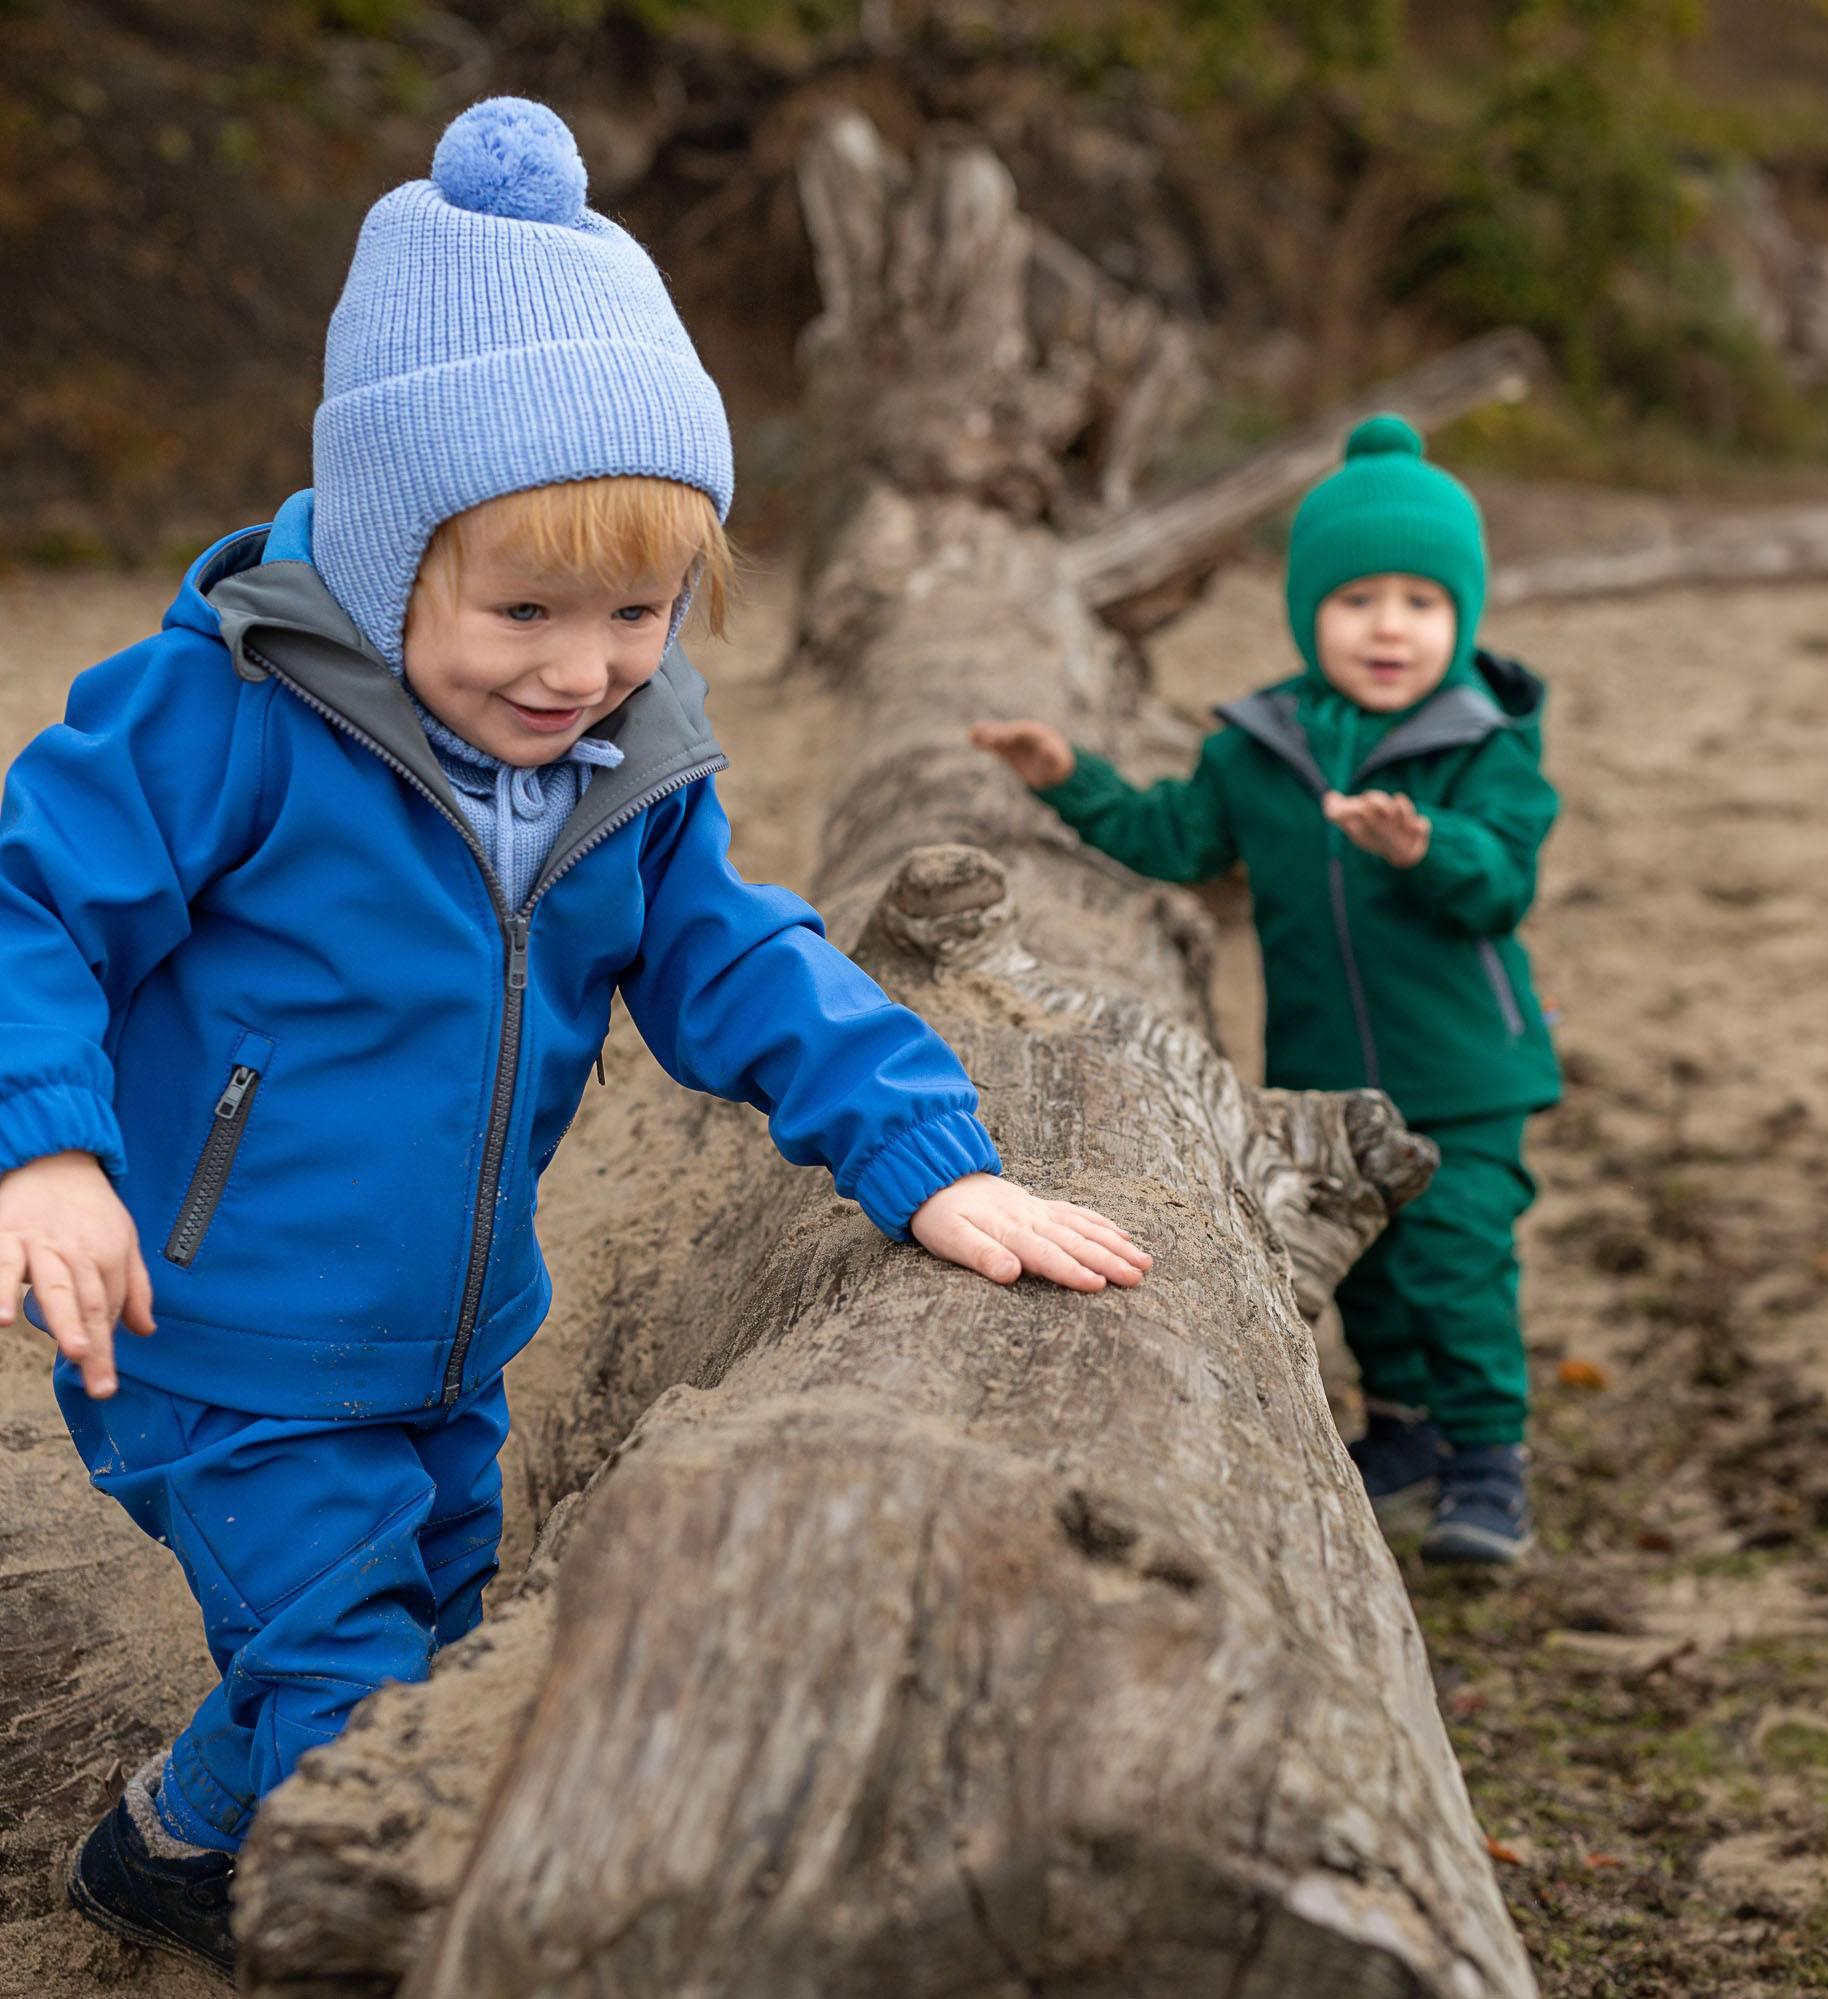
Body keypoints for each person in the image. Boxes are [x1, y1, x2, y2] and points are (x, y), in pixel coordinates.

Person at [0, 98, 1149, 1978]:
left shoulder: (625, 760)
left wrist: (923, 1150)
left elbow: (744, 961)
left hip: (451, 1330)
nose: (578, 665)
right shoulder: (219, 713)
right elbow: (27, 898)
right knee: (362, 1706)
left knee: (421, 1620)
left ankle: (164, 1851)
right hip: (210, 1333)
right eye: (522, 608)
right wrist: (43, 1143)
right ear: (387, 558)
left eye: (639, 609)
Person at [974, 414, 1559, 1571]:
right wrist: (1070, 782)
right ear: (1306, 612)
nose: (1387, 626)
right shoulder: (1258, 748)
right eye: (1355, 601)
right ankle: (1403, 1429)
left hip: (1463, 1070)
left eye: (1419, 603)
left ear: (1460, 616)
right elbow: (1176, 835)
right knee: (1370, 1261)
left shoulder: (1481, 747)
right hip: (1325, 1061)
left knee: (1454, 1257)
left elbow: (1498, 884)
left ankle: (1489, 1456)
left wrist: (1423, 847)